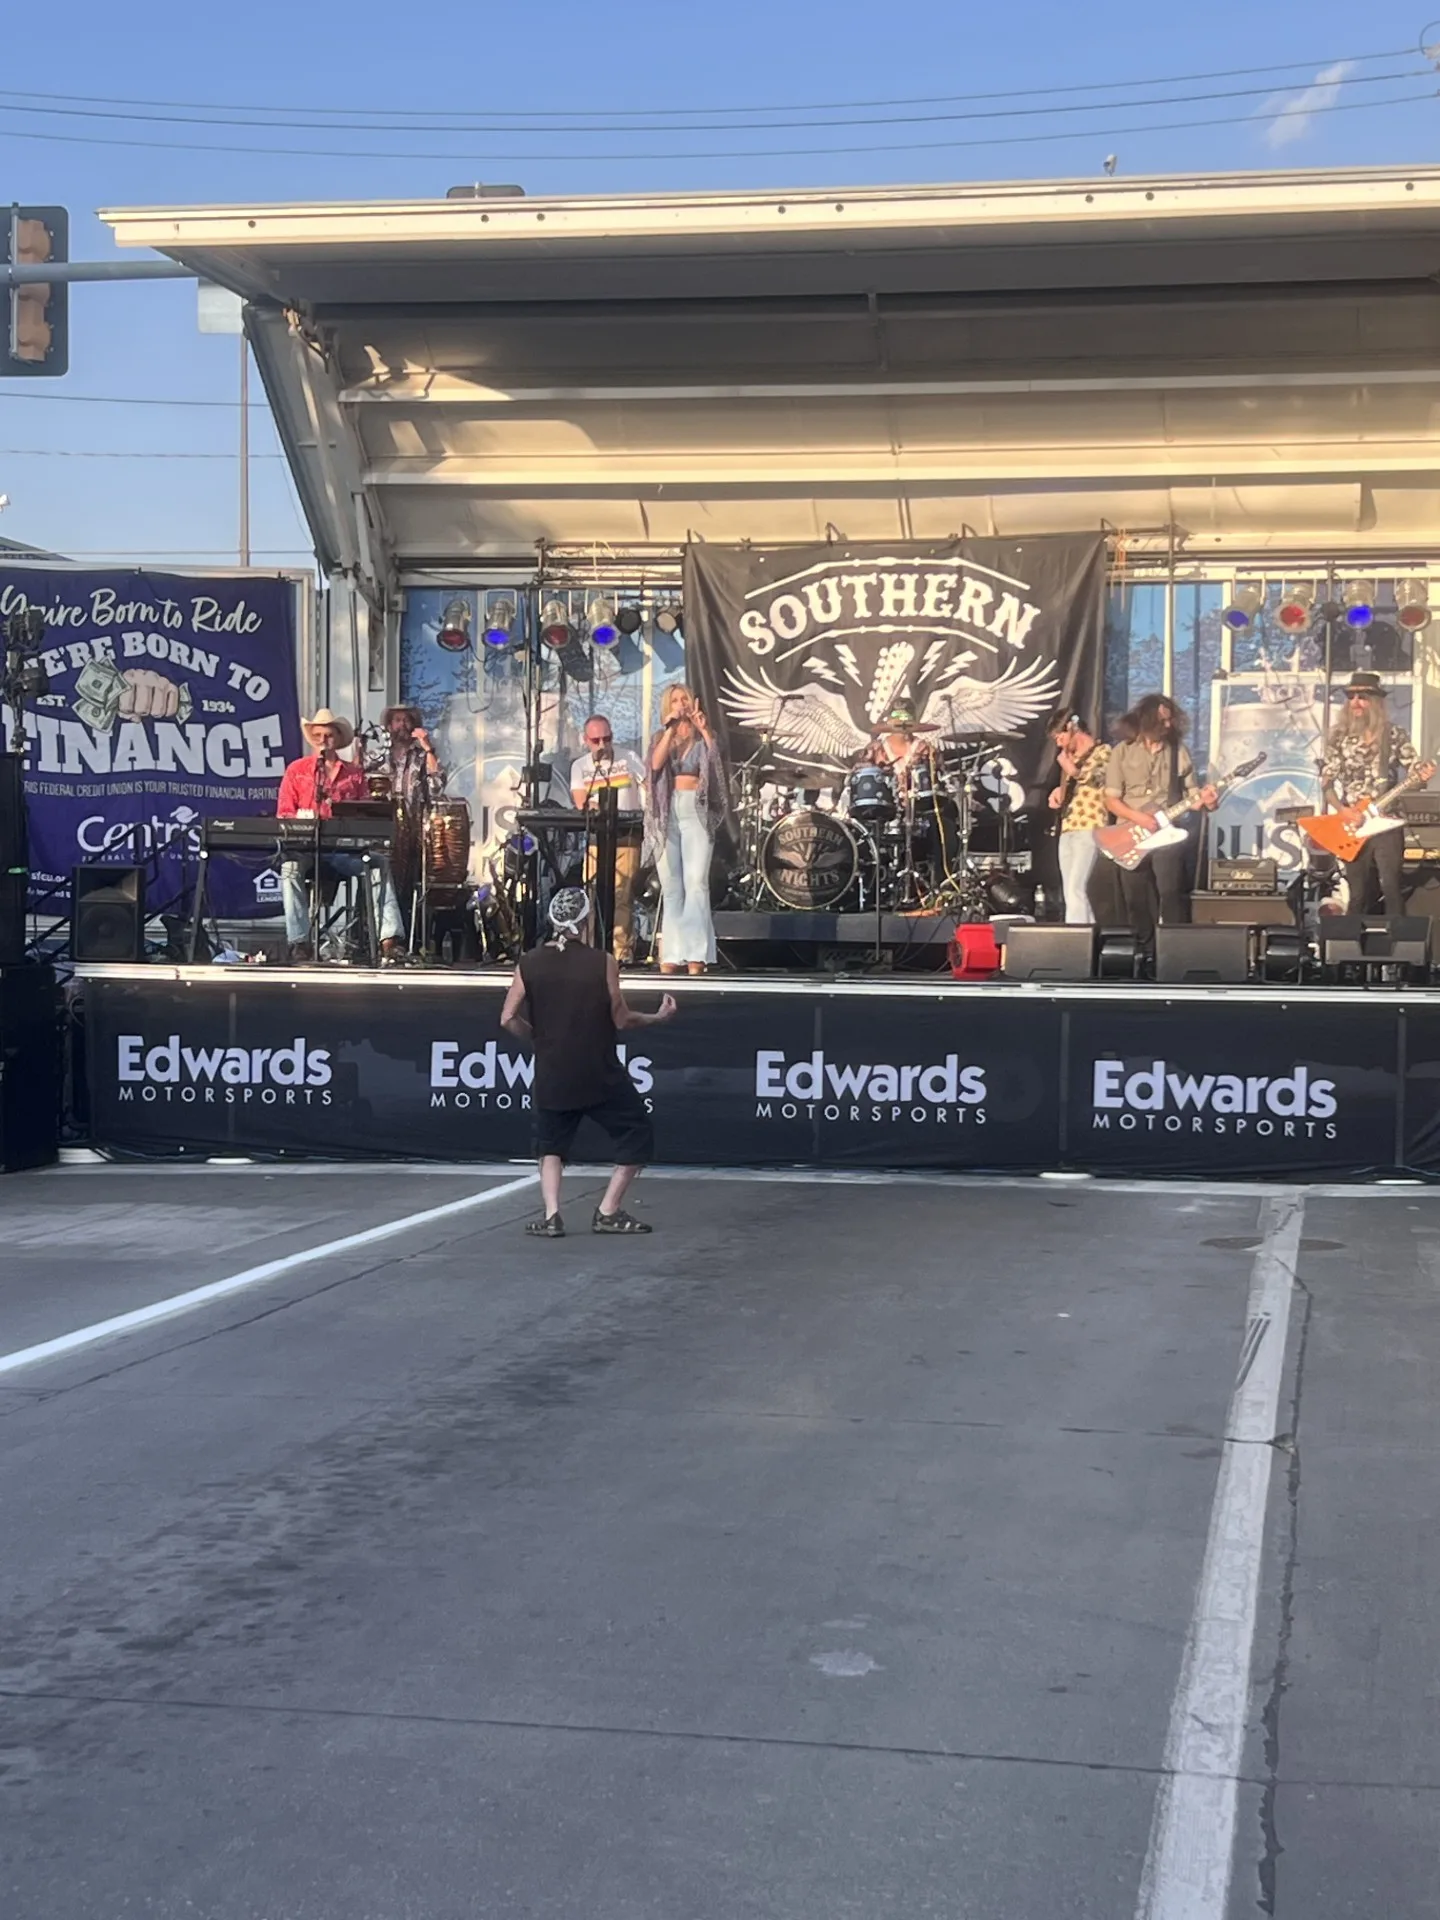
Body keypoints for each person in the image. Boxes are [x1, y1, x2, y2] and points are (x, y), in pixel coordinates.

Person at [501, 888, 677, 1238]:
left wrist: (538, 1038)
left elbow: (507, 1018)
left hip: (554, 1068)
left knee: (550, 1142)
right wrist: (657, 1018)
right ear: (585, 921)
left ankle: (552, 1215)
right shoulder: (602, 962)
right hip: (598, 1070)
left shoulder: (529, 962)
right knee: (636, 1134)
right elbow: (621, 1018)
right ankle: (608, 1210)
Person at [276, 707, 405, 963]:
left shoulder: (354, 774)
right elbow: (283, 814)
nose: (324, 740)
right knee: (289, 868)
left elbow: (365, 812)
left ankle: (389, 940)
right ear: (313, 738)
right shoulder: (297, 770)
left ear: (337, 738)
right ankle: (300, 942)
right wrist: (303, 819)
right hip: (305, 849)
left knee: (378, 863)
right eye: (319, 735)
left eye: (329, 735)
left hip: (342, 850)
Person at [1102, 694, 1218, 943]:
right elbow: (1111, 800)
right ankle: (1143, 950)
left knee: (1171, 892)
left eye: (1170, 721)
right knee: (1136, 898)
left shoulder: (1178, 752)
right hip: (1130, 834)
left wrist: (1207, 801)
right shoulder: (1122, 751)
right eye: (1162, 721)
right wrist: (1139, 818)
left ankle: (1175, 949)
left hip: (1167, 833)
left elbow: (1192, 795)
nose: (1168, 726)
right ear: (1146, 721)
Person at [1319, 671, 1434, 916]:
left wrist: (1422, 774)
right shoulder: (1338, 737)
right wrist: (1343, 810)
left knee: (1391, 886)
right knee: (1358, 891)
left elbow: (1413, 771)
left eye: (1362, 696)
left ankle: (1399, 947)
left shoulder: (1393, 735)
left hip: (1387, 821)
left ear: (1376, 701)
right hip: (1354, 823)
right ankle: (1348, 948)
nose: (1356, 702)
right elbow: (1326, 784)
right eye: (1351, 696)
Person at [647, 683, 726, 975]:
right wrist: (670, 730)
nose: (681, 704)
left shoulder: (705, 735)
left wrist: (704, 730)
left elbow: (716, 767)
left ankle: (696, 954)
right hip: (668, 811)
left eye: (684, 699)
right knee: (671, 886)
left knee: (696, 882)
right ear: (668, 707)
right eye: (675, 701)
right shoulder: (660, 736)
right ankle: (672, 952)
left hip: (696, 809)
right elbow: (655, 764)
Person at [570, 713, 648, 964]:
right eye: (596, 740)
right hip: (597, 838)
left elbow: (648, 786)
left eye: (607, 738)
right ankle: (593, 951)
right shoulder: (580, 766)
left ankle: (621, 953)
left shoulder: (629, 758)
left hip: (626, 835)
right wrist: (594, 805)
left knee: (623, 896)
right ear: (586, 740)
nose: (602, 745)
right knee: (593, 894)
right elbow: (580, 800)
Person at [365, 704, 447, 928]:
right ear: (389, 726)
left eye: (406, 720)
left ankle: (405, 936)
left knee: (408, 885)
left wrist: (428, 748)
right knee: (377, 880)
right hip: (381, 832)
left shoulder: (421, 755)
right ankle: (372, 933)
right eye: (397, 720)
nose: (402, 725)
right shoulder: (377, 755)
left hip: (413, 831)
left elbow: (437, 786)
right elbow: (358, 783)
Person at [1045, 709, 1110, 923]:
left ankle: (1075, 940)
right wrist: (1058, 792)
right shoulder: (1070, 758)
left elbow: (1099, 780)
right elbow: (1072, 789)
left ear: (1072, 729)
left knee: (1076, 887)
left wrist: (1072, 771)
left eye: (1060, 737)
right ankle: (1089, 937)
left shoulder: (1103, 751)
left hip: (1090, 825)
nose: (1060, 744)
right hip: (1068, 827)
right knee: (1071, 891)